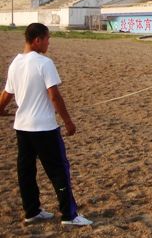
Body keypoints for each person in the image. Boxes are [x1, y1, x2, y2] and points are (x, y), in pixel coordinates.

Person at [0, 23, 92, 226]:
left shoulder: (15, 63)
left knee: (26, 172)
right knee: (58, 171)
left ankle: (31, 210)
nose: (49, 42)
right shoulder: (44, 62)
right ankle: (69, 215)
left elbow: (7, 94)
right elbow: (55, 96)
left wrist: (0, 109)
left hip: (22, 128)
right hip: (44, 128)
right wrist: (68, 122)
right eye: (47, 38)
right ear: (37, 40)